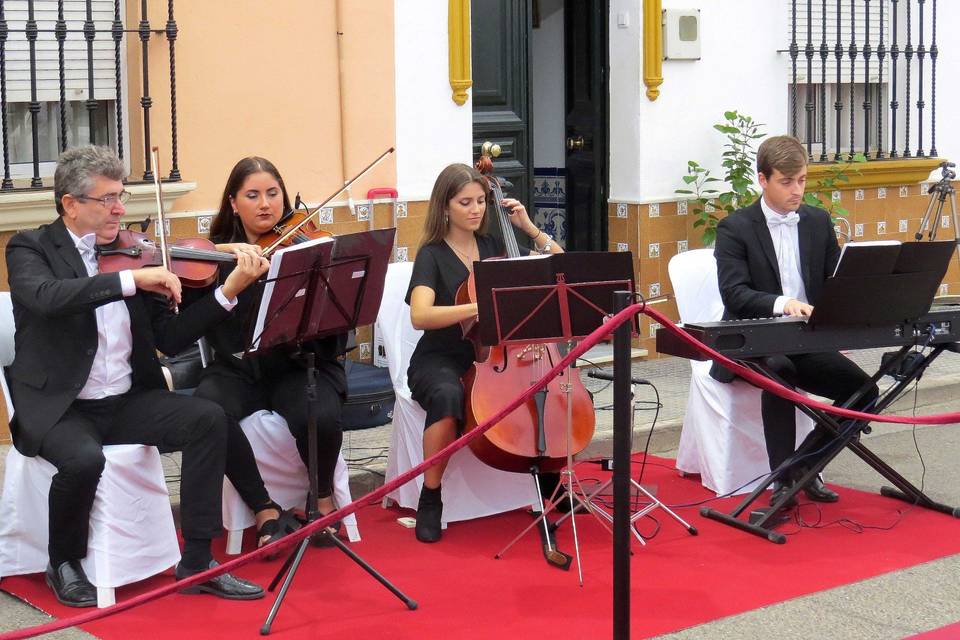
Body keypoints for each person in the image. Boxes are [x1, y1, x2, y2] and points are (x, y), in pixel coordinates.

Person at [5, 145, 269, 607]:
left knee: (208, 419)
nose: (119, 209)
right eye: (107, 199)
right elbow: (48, 297)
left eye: (121, 196)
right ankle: (63, 562)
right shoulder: (31, 247)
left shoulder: (133, 254)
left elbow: (169, 337)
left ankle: (199, 560)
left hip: (123, 400)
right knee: (84, 459)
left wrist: (226, 292)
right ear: (70, 203)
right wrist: (133, 281)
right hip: (60, 407)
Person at [712, 135, 879, 507]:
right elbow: (734, 295)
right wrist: (784, 303)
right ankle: (781, 485)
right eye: (787, 182)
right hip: (751, 340)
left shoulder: (817, 222)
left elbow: (833, 283)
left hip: (805, 338)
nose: (797, 190)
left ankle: (802, 470)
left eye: (801, 180)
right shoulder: (735, 228)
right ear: (763, 179)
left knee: (865, 391)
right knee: (780, 370)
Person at [189, 157, 347, 546]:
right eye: (253, 195)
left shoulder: (305, 248)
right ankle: (263, 507)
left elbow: (338, 329)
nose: (265, 204)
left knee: (322, 413)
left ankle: (322, 497)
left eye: (273, 193)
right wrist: (228, 268)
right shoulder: (216, 260)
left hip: (296, 364)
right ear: (233, 203)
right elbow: (202, 324)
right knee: (208, 411)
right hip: (239, 370)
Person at [405, 162, 563, 542]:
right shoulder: (432, 255)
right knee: (447, 394)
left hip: (495, 357)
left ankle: (550, 483)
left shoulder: (495, 245)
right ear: (445, 207)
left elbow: (558, 265)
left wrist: (528, 228)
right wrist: (476, 308)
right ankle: (431, 495)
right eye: (465, 202)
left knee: (543, 385)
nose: (476, 209)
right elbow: (420, 315)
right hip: (442, 357)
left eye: (480, 201)